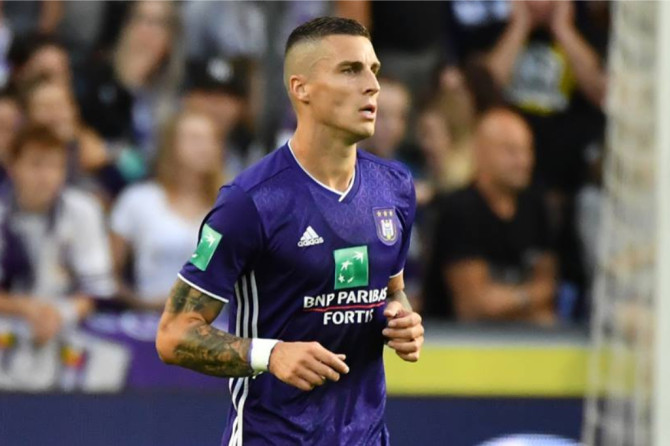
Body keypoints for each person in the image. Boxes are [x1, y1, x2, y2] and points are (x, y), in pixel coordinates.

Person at [156, 17, 424, 445]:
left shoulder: (395, 188)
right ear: (302, 89)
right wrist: (271, 354)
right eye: (350, 70)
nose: (372, 86)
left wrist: (403, 321)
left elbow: (392, 290)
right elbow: (173, 334)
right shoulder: (251, 201)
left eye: (373, 70)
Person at [423, 108, 557, 324]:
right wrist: (528, 298)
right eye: (511, 151)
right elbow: (474, 307)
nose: (524, 161)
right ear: (481, 153)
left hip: (524, 339)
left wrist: (507, 301)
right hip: (456, 340)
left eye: (528, 150)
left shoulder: (535, 206)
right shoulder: (460, 209)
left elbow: (549, 290)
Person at [0, 124, 115, 346]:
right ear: (13, 167)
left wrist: (59, 314)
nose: (46, 176)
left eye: (55, 166)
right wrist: (26, 309)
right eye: (36, 165)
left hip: (67, 325)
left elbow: (95, 291)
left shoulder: (84, 210)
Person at [110, 111, 224, 312]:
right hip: (147, 316)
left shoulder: (227, 209)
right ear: (172, 145)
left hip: (211, 321)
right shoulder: (139, 199)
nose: (204, 147)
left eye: (211, 139)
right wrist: (138, 302)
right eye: (194, 139)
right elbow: (107, 272)